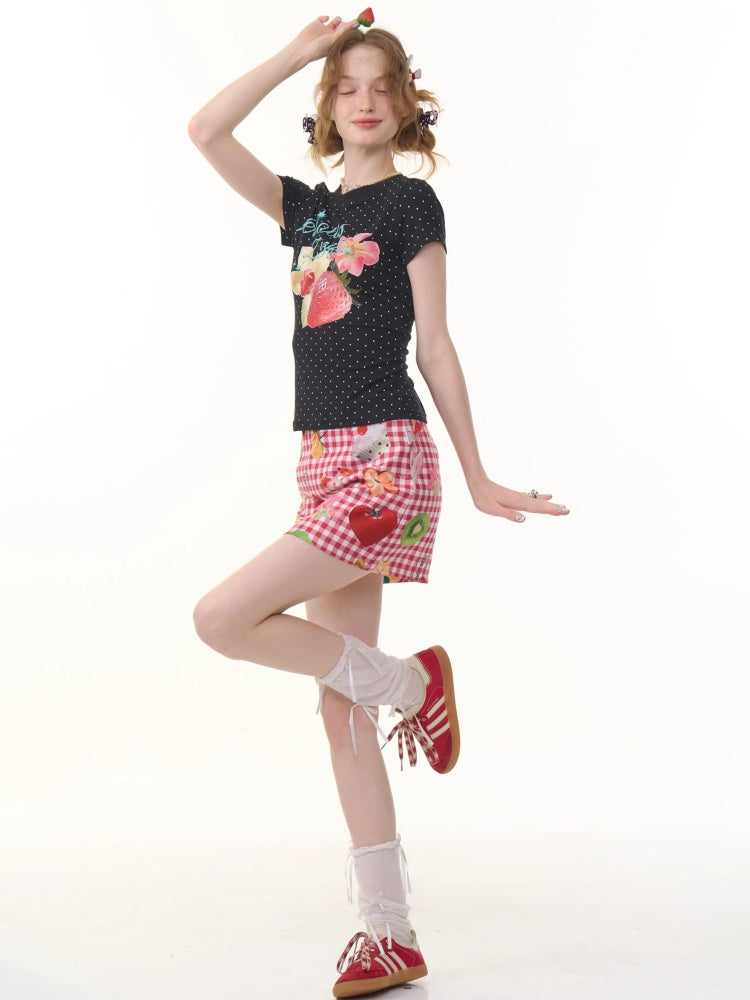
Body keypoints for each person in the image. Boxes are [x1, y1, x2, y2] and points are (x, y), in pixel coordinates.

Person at [188, 13, 569, 998]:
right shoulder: (308, 215)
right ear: (327, 104)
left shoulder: (410, 203)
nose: (363, 99)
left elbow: (435, 344)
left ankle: (410, 683)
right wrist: (295, 54)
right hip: (319, 462)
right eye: (346, 85)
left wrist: (477, 473)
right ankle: (389, 935)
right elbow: (205, 129)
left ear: (405, 105)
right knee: (340, 706)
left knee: (221, 618)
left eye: (381, 85)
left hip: (384, 459)